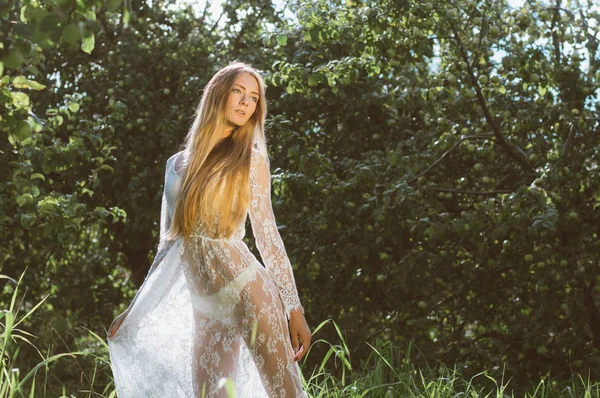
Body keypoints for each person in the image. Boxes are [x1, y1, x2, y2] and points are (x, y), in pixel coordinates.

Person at [106, 61, 311, 397]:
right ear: (218, 94)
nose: (246, 102)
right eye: (238, 92)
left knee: (284, 392)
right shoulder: (176, 165)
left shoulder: (251, 160)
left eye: (254, 98)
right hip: (206, 307)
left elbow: (268, 236)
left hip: (249, 289)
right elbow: (168, 244)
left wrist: (294, 310)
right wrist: (135, 308)